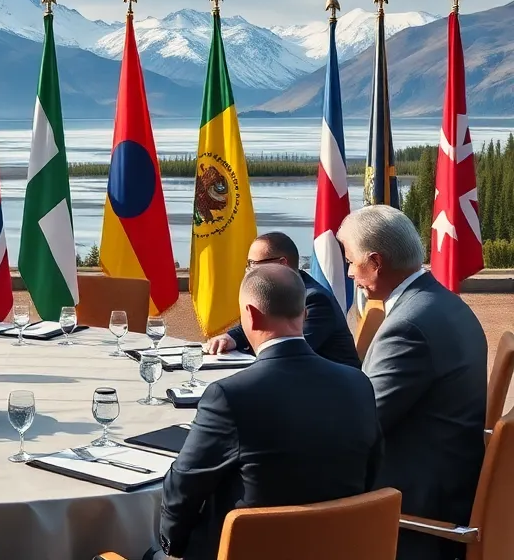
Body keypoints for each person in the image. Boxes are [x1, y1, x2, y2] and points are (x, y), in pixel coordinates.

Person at [159, 264, 383, 560]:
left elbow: (183, 488)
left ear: (250, 314)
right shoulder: (358, 383)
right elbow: (371, 473)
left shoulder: (229, 395)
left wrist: (171, 548)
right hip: (337, 549)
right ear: (304, 313)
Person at [339, 205, 487, 560]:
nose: (348, 272)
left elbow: (361, 425)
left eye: (351, 261)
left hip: (417, 500)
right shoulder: (442, 302)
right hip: (449, 476)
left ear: (375, 262)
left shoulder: (408, 327)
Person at [206, 232, 360, 367]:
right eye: (248, 264)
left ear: (282, 264)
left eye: (254, 264)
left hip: (332, 390)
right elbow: (257, 323)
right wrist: (229, 338)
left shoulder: (315, 299)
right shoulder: (273, 291)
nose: (249, 271)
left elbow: (288, 350)